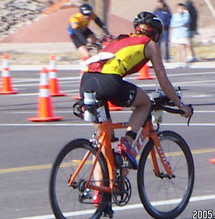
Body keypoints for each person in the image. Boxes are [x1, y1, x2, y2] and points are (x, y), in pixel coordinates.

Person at [80, 11, 192, 169]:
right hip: (108, 82)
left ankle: (99, 192)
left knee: (103, 145)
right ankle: (127, 143)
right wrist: (180, 105)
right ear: (156, 32)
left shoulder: (121, 39)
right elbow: (163, 81)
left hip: (86, 81)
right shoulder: (149, 44)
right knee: (145, 103)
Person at [170, 3, 191, 68]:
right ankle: (179, 62)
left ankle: (184, 62)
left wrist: (178, 23)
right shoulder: (174, 16)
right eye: (179, 8)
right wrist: (179, 24)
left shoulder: (186, 15)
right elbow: (172, 24)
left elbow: (184, 22)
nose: (180, 10)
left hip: (183, 34)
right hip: (176, 34)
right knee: (178, 49)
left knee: (182, 48)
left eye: (181, 8)